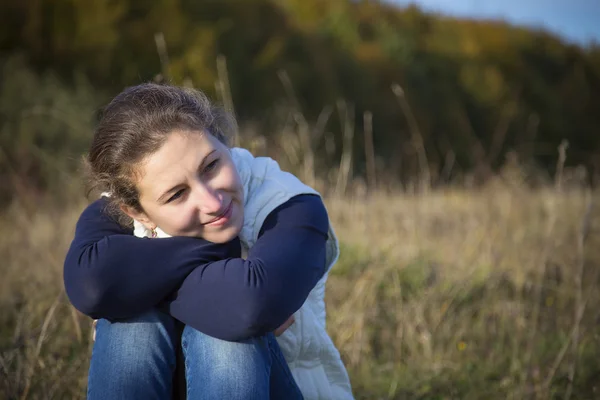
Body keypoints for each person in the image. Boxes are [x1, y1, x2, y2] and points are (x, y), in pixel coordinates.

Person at [63, 83, 353, 399]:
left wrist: (140, 283)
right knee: (132, 325)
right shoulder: (117, 212)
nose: (212, 202)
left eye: (212, 165)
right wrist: (225, 265)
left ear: (223, 142)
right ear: (136, 211)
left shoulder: (288, 204)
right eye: (177, 194)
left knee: (224, 335)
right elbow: (91, 286)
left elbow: (250, 305)